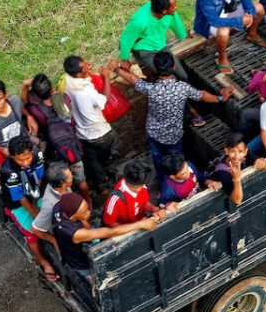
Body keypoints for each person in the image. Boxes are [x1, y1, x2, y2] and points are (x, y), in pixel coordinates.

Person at [115, 52, 232, 185]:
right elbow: (202, 95)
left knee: (158, 159)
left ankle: (163, 182)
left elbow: (132, 79)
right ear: (174, 68)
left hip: (154, 134)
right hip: (173, 136)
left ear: (155, 69)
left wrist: (116, 68)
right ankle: (178, 183)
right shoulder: (182, 88)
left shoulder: (151, 89)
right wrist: (221, 98)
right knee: (176, 161)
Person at [22, 73, 91, 206]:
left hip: (56, 151)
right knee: (81, 179)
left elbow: (24, 102)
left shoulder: (35, 110)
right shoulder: (64, 98)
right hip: (73, 146)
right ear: (52, 90)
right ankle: (88, 201)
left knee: (62, 180)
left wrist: (25, 85)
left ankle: (72, 205)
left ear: (36, 96)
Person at [51, 192, 157, 277]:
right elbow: (111, 232)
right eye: (84, 212)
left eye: (86, 208)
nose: (88, 212)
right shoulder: (74, 232)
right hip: (82, 263)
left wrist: (82, 217)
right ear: (73, 217)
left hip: (71, 244)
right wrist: (141, 224)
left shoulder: (59, 207)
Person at [0, 135, 57, 281]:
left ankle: (56, 238)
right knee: (31, 231)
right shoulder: (9, 171)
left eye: (28, 158)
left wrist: (35, 200)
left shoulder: (37, 155)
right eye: (20, 160)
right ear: (12, 157)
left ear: (32, 152)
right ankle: (44, 261)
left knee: (55, 212)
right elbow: (19, 197)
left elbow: (39, 178)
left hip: (32, 194)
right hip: (17, 204)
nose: (25, 163)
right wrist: (34, 213)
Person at [63, 57, 120, 195]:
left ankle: (102, 186)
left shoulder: (67, 80)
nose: (89, 65)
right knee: (117, 146)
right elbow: (104, 100)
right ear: (78, 74)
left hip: (83, 134)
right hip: (100, 133)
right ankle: (107, 170)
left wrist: (88, 74)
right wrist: (106, 77)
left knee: (93, 161)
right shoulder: (86, 90)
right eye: (85, 66)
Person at [194, 0, 257, 74]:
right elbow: (214, 21)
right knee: (223, 32)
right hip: (210, 22)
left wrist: (249, 11)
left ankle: (252, 33)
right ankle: (222, 56)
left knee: (258, 8)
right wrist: (239, 21)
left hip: (229, 10)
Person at [118, 0, 189, 82]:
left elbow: (175, 22)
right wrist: (125, 59)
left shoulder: (170, 13)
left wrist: (183, 35)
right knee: (172, 81)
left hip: (160, 46)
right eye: (174, 6)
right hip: (145, 51)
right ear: (164, 11)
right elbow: (126, 39)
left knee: (184, 76)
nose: (176, 7)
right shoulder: (139, 22)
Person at [103, 161, 171, 226]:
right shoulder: (115, 199)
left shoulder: (142, 185)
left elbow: (144, 203)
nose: (139, 190)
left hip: (143, 222)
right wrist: (134, 228)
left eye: (141, 186)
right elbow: (110, 223)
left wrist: (155, 209)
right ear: (126, 181)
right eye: (134, 188)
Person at [31, 162, 74, 247]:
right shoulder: (50, 206)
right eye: (70, 176)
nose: (72, 176)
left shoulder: (59, 184)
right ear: (63, 184)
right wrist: (53, 240)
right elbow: (35, 229)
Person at [203, 132, 249, 205]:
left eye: (240, 152)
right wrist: (237, 179)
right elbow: (237, 200)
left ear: (245, 151)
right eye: (233, 152)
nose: (237, 156)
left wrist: (261, 161)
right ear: (226, 151)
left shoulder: (245, 154)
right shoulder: (222, 171)